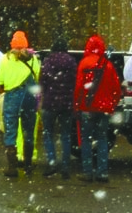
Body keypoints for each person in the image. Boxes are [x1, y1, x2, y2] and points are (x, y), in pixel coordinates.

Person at [74, 34, 122, 182]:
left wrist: (76, 105)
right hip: (104, 109)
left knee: (86, 140)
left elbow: (78, 87)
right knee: (102, 139)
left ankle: (87, 172)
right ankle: (102, 172)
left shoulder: (84, 63)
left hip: (87, 107)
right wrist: (112, 105)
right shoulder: (108, 65)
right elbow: (116, 88)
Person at [0, 30, 41, 177]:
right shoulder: (34, 58)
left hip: (12, 96)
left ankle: (12, 167)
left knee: (10, 129)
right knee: (28, 130)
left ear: (12, 44)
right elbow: (38, 77)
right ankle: (28, 165)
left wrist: (4, 92)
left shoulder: (5, 59)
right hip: (30, 97)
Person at [39, 37, 77, 179]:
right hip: (66, 103)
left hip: (50, 103)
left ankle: (52, 162)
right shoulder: (72, 61)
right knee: (66, 135)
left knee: (48, 133)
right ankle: (66, 166)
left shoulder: (48, 61)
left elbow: (42, 81)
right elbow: (74, 81)